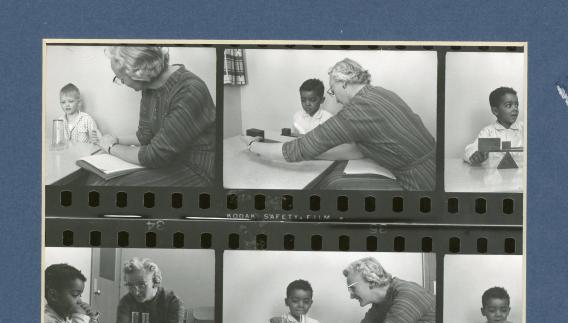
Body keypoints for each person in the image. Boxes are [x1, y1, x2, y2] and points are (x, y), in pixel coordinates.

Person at [242, 58, 436, 191]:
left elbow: (299, 148)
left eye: (333, 91)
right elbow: (359, 150)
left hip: (419, 184)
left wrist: (254, 146)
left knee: (330, 185)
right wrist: (316, 152)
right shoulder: (381, 93)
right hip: (434, 169)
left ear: (343, 83)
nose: (336, 99)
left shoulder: (356, 110)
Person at [90, 46, 216, 186]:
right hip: (170, 162)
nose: (122, 83)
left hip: (197, 170)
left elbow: (155, 156)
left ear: (138, 72)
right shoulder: (149, 87)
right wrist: (115, 139)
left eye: (121, 78)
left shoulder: (190, 90)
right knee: (97, 180)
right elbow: (145, 136)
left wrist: (111, 148)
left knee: (113, 187)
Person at [294, 257, 435, 323]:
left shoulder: (407, 295)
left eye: (352, 288)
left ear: (372, 282)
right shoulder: (380, 303)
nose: (350, 295)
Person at [113, 258, 185, 323]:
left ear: (155, 280)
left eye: (142, 285)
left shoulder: (173, 301)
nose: (136, 292)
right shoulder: (126, 301)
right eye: (130, 285)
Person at [256, 279, 323, 323]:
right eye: (295, 301)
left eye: (306, 301)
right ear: (287, 302)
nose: (301, 305)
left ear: (310, 303)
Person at [464, 87, 524, 165]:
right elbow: (471, 148)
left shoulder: (524, 128)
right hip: (495, 175)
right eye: (509, 105)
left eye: (516, 105)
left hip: (518, 175)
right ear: (495, 111)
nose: (515, 109)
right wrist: (475, 155)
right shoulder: (488, 131)